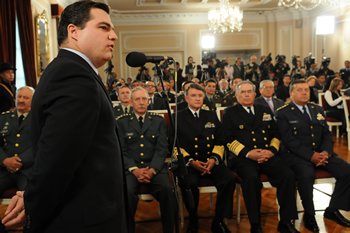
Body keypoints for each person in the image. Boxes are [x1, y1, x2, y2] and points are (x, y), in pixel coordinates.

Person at [2, 1, 129, 232]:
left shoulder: (75, 70)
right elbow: (56, 161)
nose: (114, 36)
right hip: (84, 219)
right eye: (104, 27)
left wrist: (31, 195)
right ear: (73, 31)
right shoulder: (73, 75)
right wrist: (32, 205)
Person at [222, 80, 299, 233]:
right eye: (242, 92)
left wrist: (271, 150)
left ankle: (285, 221)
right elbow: (227, 139)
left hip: (266, 155)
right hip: (243, 158)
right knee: (251, 180)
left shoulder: (264, 109)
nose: (246, 95)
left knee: (288, 175)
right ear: (236, 95)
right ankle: (255, 224)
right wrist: (248, 153)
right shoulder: (229, 112)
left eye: (249, 91)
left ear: (255, 94)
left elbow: (275, 134)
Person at [276, 80, 350, 232]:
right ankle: (309, 214)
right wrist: (311, 156)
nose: (304, 93)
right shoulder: (283, 113)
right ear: (291, 94)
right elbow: (289, 141)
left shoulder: (318, 109)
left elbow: (327, 135)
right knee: (306, 175)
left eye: (307, 90)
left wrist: (325, 153)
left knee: (347, 171)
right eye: (300, 90)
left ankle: (333, 209)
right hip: (297, 156)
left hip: (322, 153)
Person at [168, 83, 236, 233]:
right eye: (193, 95)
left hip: (211, 161)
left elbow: (220, 141)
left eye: (200, 96)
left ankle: (219, 221)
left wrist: (213, 159)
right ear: (186, 98)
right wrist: (191, 162)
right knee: (189, 183)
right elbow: (173, 146)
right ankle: (193, 220)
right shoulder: (177, 117)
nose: (197, 98)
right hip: (189, 163)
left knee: (229, 179)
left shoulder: (211, 115)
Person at [117, 87, 175, 233]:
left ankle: (169, 230)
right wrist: (135, 170)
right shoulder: (121, 122)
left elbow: (162, 148)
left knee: (168, 191)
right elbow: (121, 150)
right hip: (131, 169)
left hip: (154, 168)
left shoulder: (158, 120)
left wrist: (153, 169)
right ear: (130, 102)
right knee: (126, 194)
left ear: (149, 101)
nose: (141, 102)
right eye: (137, 99)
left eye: (144, 99)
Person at [0, 87, 35, 232]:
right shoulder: (3, 118)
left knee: (29, 197)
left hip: (27, 170)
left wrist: (20, 160)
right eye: (19, 97)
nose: (21, 100)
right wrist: (4, 161)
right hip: (5, 170)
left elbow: (42, 145)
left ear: (33, 101)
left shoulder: (39, 119)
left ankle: (29, 228)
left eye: (26, 98)